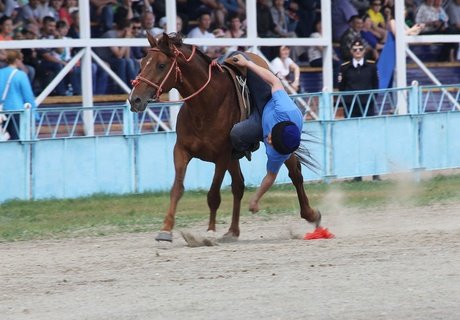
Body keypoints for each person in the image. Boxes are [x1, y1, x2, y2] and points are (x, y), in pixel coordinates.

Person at [229, 53, 305, 212]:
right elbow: (274, 80)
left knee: (236, 134)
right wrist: (248, 64)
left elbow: (270, 176)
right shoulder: (286, 110)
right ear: (278, 126)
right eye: (270, 138)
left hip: (259, 123)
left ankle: (248, 146)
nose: (268, 141)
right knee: (240, 58)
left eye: (271, 143)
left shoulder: (279, 154)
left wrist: (255, 199)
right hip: (267, 101)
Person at [337, 39, 380, 181]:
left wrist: (369, 100)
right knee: (353, 140)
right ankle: (356, 174)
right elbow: (342, 88)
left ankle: (375, 173)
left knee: (371, 140)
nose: (357, 52)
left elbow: (376, 86)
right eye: (355, 50)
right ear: (351, 51)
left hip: (367, 107)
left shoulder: (371, 67)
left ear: (364, 51)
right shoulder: (345, 68)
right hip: (351, 108)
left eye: (360, 49)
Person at [0, 50, 37, 141]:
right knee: (16, 138)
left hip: (2, 111)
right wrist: (35, 114)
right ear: (17, 60)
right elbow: (28, 96)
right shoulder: (21, 75)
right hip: (16, 110)